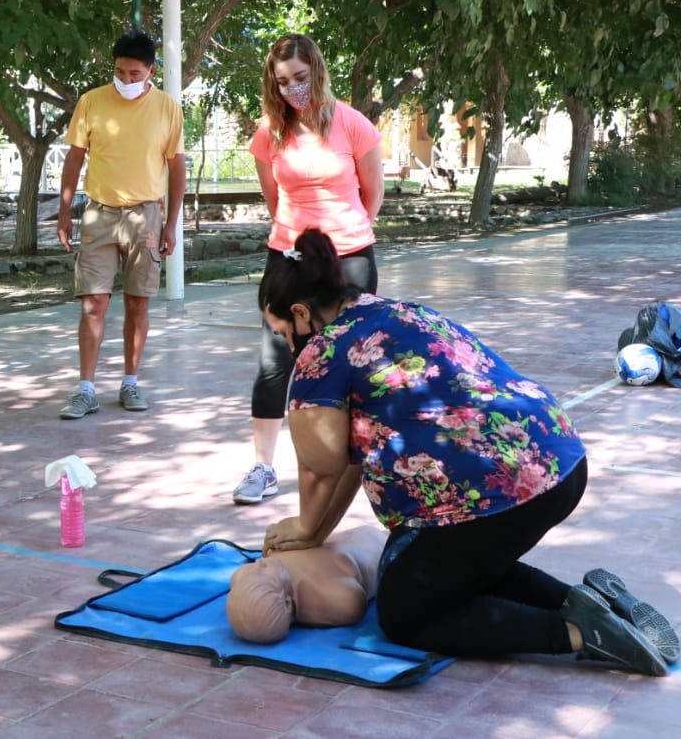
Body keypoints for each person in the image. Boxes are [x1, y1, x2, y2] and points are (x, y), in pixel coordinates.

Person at [259, 228, 676, 676]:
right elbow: (350, 462)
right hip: (559, 460)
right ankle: (596, 602)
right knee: (448, 562)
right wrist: (314, 528)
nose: (286, 345)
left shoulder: (320, 352)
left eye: (283, 332)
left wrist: (304, 524)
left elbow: (322, 464)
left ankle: (581, 634)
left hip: (495, 491)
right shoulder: (395, 310)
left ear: (301, 313)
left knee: (405, 611)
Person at [233, 33, 385, 505]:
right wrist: (295, 242)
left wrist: (343, 237)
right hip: (289, 255)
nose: (293, 89)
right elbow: (274, 198)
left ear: (317, 71)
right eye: (282, 82)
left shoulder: (354, 125)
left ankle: (356, 467)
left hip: (348, 256)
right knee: (275, 362)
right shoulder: (269, 133)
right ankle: (263, 467)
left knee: (352, 363)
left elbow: (372, 193)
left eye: (300, 78)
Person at [55, 29, 185, 419]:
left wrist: (170, 225)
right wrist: (64, 212)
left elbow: (175, 166)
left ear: (151, 71)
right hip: (99, 214)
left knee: (138, 302)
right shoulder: (91, 102)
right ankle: (86, 390)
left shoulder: (167, 108)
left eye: (134, 73)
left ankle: (130, 382)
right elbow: (75, 158)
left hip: (145, 215)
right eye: (119, 71)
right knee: (93, 303)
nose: (125, 80)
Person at [227, 526, 384, 644]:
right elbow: (355, 604)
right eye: (263, 574)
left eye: (252, 575)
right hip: (375, 540)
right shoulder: (339, 599)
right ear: (287, 601)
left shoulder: (242, 575)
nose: (258, 563)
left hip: (338, 528)